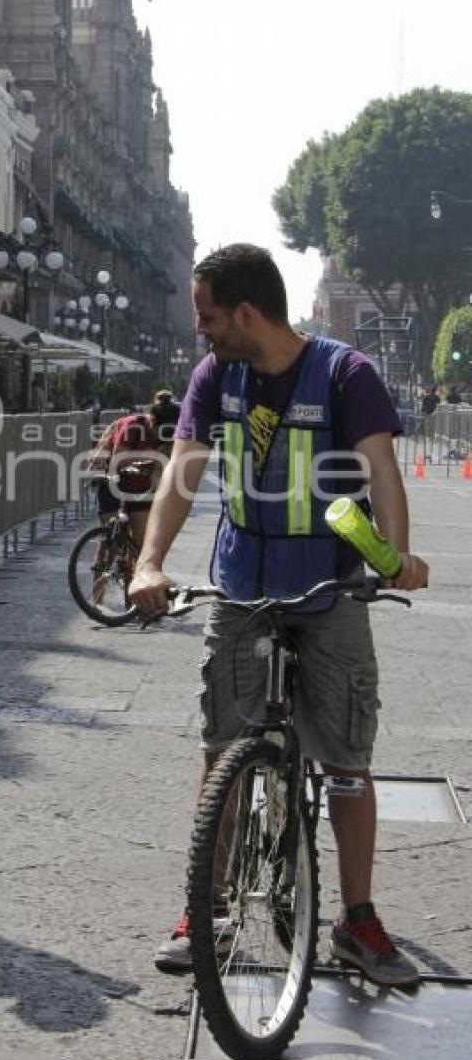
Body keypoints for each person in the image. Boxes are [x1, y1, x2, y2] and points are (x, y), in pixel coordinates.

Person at [129, 244, 428, 988]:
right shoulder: (215, 376)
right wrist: (148, 560)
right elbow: (182, 468)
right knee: (222, 746)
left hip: (329, 591)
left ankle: (357, 919)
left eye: (206, 316)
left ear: (245, 313)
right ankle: (212, 906)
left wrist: (399, 554)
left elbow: (381, 469)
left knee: (348, 762)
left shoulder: (343, 373)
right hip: (241, 584)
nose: (200, 330)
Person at [86, 392, 181, 552]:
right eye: (162, 431)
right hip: (111, 480)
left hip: (140, 487)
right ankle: (100, 571)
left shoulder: (171, 437)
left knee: (140, 544)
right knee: (110, 539)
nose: (166, 436)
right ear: (151, 421)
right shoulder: (132, 426)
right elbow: (117, 460)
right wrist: (153, 456)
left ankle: (133, 572)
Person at [420, 384, 440, 461]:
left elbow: (423, 407)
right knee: (432, 432)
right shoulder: (436, 397)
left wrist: (423, 413)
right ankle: (430, 449)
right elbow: (438, 405)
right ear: (435, 390)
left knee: (427, 432)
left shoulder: (426, 397)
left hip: (427, 415)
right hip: (433, 415)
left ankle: (427, 449)